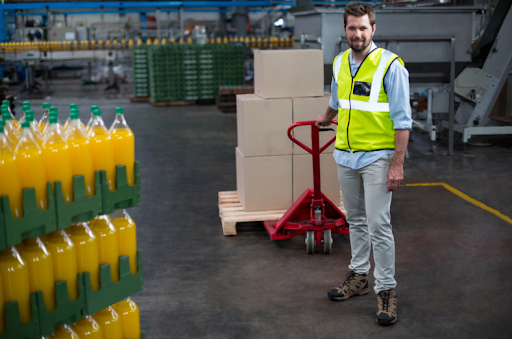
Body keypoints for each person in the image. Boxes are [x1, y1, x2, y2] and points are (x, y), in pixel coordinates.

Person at [315, 2, 412, 326]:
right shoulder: (341, 61)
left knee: (378, 223)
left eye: (363, 28)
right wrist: (325, 119)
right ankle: (359, 276)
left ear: (373, 29)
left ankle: (386, 290)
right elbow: (337, 100)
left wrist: (397, 164)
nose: (357, 33)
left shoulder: (390, 65)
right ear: (345, 30)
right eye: (352, 28)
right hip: (345, 154)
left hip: (378, 157)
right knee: (355, 220)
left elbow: (403, 121)